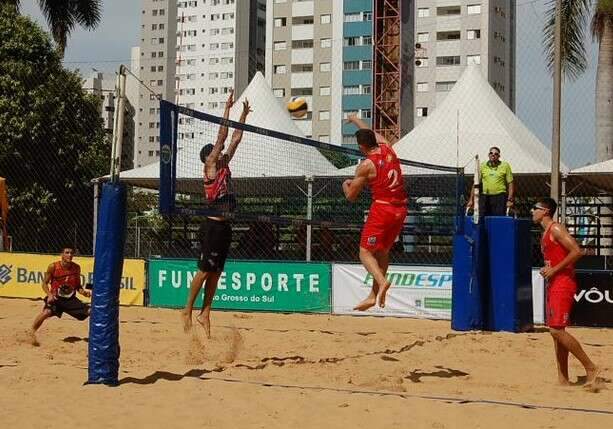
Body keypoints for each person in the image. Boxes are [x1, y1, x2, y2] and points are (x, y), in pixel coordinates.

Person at [182, 90, 252, 338]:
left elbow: (235, 138)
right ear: (208, 157)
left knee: (217, 272)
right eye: (214, 151)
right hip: (211, 226)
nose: (219, 151)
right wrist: (227, 109)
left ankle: (205, 312)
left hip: (225, 226)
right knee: (204, 270)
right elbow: (223, 136)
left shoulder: (224, 164)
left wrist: (243, 114)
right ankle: (187, 309)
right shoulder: (210, 167)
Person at [342, 115, 407, 311]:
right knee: (382, 251)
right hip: (401, 208)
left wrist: (346, 185)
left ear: (361, 147)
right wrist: (355, 120)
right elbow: (371, 133)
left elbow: (351, 196)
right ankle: (373, 295)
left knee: (365, 252)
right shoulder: (387, 147)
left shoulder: (366, 166)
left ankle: (382, 281)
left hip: (383, 208)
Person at [532, 197, 599, 386]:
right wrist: (549, 268)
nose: (532, 211)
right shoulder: (545, 232)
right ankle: (563, 378)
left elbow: (577, 251)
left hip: (563, 282)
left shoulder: (555, 228)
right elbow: (557, 257)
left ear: (545, 211)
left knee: (556, 330)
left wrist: (554, 269)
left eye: (535, 208)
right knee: (557, 331)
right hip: (554, 282)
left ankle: (590, 367)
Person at [29, 245, 90, 343]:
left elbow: (78, 286)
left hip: (70, 299)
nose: (69, 255)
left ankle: (97, 338)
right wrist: (49, 295)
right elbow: (44, 283)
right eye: (67, 252)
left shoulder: (76, 267)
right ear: (61, 254)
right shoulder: (53, 266)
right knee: (46, 312)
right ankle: (31, 332)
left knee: (90, 311)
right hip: (55, 298)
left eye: (71, 253)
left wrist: (84, 293)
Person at [467, 146, 515, 216]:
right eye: (491, 153)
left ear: (499, 156)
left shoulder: (505, 165)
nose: (493, 155)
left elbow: (510, 183)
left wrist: (510, 200)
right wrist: (471, 199)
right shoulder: (482, 165)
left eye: (496, 154)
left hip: (500, 197)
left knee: (498, 219)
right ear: (488, 155)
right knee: (482, 218)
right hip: (485, 197)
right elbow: (476, 183)